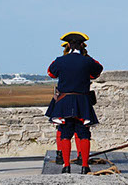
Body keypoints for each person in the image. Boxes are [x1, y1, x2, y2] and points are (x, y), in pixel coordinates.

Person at [45, 31, 103, 174]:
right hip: (82, 101)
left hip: (64, 101)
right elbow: (97, 71)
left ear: (69, 45)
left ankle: (66, 166)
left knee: (65, 133)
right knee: (84, 134)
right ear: (82, 45)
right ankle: (84, 166)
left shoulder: (60, 60)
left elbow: (51, 73)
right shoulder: (88, 61)